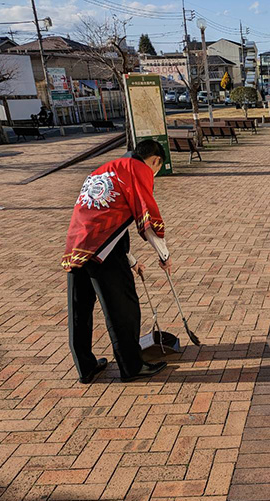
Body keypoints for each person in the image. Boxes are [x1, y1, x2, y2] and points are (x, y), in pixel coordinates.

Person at [62, 139, 173, 384]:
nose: (154, 174)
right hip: (103, 250)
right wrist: (163, 256)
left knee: (80, 309)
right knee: (123, 308)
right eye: (158, 168)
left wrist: (132, 261)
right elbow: (147, 215)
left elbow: (114, 220)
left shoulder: (105, 168)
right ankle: (132, 366)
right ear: (155, 161)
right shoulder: (138, 169)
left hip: (77, 244)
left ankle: (86, 367)